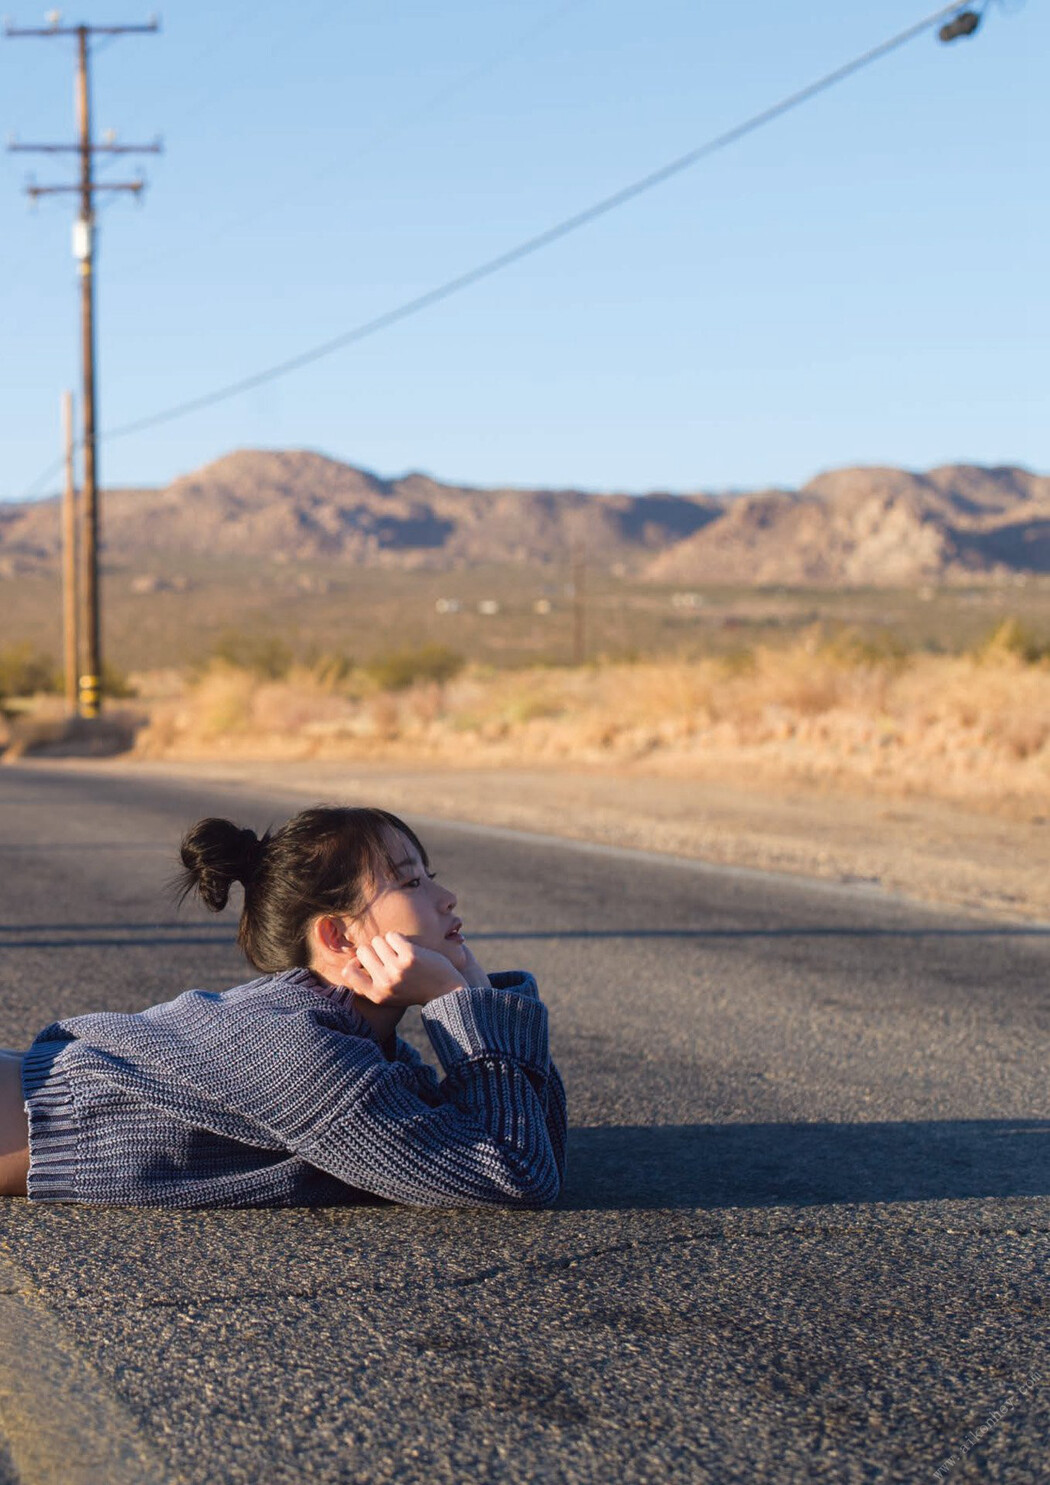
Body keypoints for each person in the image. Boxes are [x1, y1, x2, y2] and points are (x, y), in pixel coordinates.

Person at [0, 805, 566, 1208]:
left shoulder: (365, 1046)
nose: (447, 898)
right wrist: (455, 1000)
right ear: (338, 938)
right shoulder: (300, 1049)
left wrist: (481, 995)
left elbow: (535, 1141)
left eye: (430, 877)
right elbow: (515, 1172)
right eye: (411, 882)